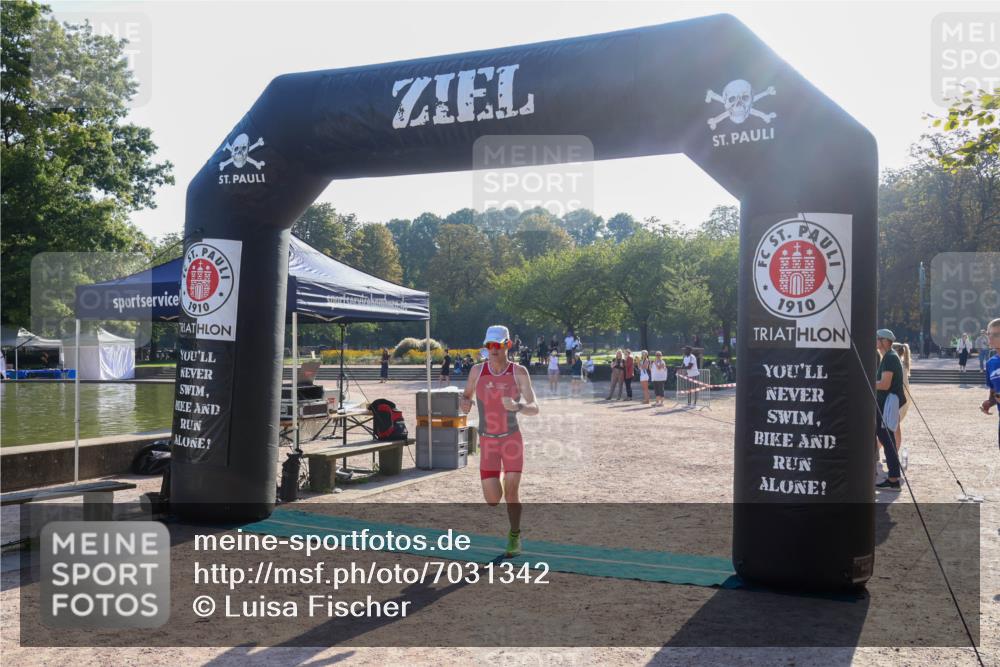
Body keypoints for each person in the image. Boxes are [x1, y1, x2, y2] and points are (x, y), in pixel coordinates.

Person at [460, 325, 539, 557]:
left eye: (497, 345)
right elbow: (466, 397)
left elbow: (535, 407)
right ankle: (500, 479)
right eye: (489, 345)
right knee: (493, 499)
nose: (493, 349)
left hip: (511, 440)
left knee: (511, 493)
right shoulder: (477, 371)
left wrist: (518, 406)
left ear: (508, 345)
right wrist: (464, 403)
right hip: (488, 443)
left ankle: (514, 535)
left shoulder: (519, 372)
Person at [875, 329, 907, 491]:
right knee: (887, 440)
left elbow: (885, 384)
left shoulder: (889, 358)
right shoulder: (889, 356)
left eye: (877, 338)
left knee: (887, 441)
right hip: (884, 404)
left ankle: (893, 478)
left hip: (885, 405)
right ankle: (892, 477)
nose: (875, 341)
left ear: (884, 341)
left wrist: (865, 382)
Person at [979, 318, 1000, 451]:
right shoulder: (991, 363)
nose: (990, 338)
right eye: (989, 334)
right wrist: (989, 403)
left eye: (996, 334)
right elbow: (994, 392)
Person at [891, 342, 912, 454]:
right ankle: (893, 451)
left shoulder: (898, 365)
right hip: (900, 400)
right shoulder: (901, 364)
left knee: (894, 427)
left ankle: (894, 451)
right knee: (893, 427)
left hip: (899, 400)